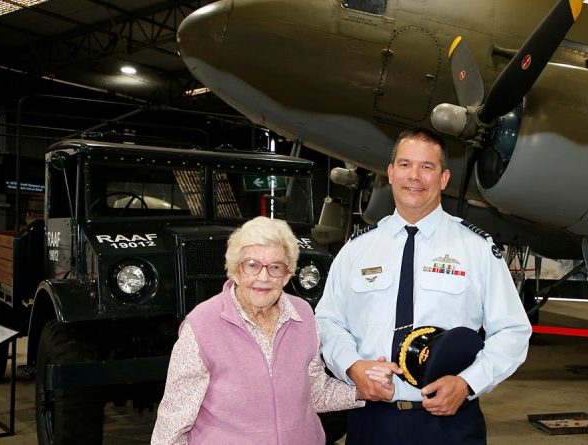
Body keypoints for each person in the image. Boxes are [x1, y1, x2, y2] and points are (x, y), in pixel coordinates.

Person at [315, 127, 532, 444]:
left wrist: (467, 384)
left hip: (450, 423)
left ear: (443, 179)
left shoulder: (476, 249)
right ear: (390, 173)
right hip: (371, 421)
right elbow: (328, 320)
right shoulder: (357, 249)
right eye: (405, 165)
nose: (414, 176)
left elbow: (513, 330)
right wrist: (352, 367)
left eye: (426, 167)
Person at [152, 217, 387, 444]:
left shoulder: (302, 314)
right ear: (234, 270)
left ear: (287, 275)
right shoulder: (202, 325)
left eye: (275, 267)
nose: (263, 277)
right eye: (252, 265)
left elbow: (314, 392)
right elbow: (173, 421)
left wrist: (362, 390)